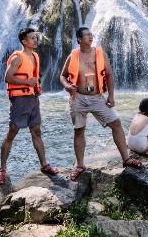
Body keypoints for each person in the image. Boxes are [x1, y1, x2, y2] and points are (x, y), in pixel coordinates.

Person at [59, 27, 142, 181]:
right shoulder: (73, 55)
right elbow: (62, 76)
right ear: (79, 39)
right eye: (87, 35)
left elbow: (109, 75)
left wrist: (111, 96)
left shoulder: (99, 53)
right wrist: (66, 86)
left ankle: (126, 159)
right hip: (78, 98)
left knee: (116, 123)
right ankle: (80, 165)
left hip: (97, 97)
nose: (91, 37)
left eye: (91, 34)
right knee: (79, 130)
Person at [0, 28, 58, 185]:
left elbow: (34, 78)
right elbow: (7, 77)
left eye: (36, 37)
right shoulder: (17, 57)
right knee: (12, 132)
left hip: (32, 99)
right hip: (20, 99)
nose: (35, 40)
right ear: (24, 41)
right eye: (32, 38)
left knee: (36, 131)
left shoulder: (35, 56)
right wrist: (26, 82)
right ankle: (2, 169)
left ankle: (44, 165)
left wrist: (35, 88)